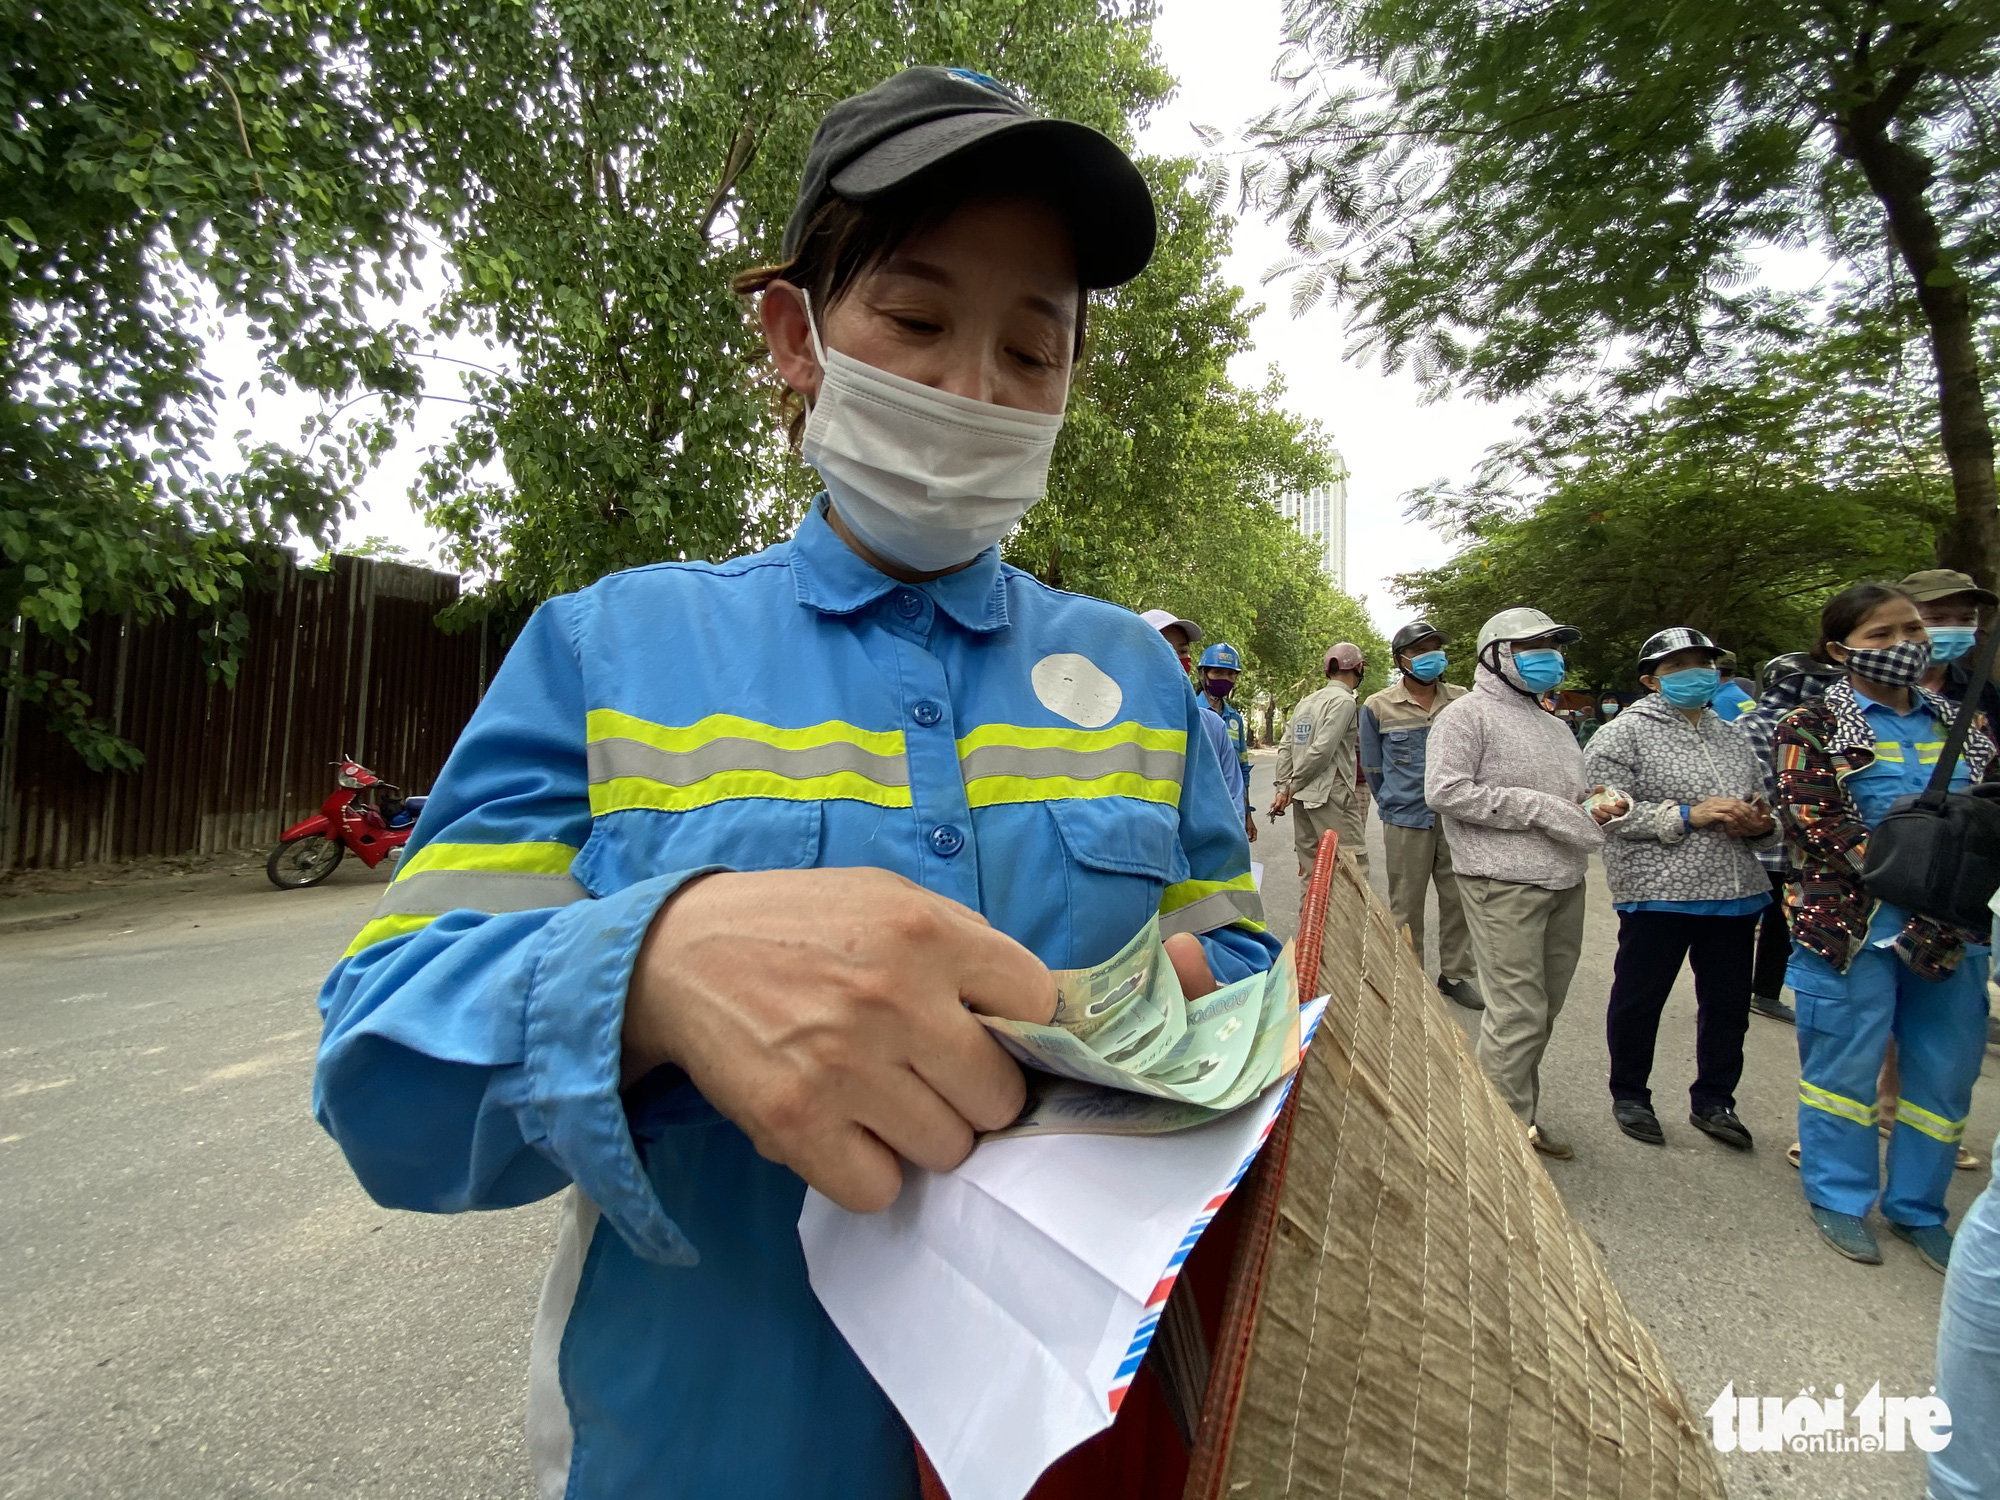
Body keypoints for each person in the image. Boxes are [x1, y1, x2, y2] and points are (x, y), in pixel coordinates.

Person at [311, 68, 1277, 1500]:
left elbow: (1243, 960)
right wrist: (645, 974)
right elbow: (380, 1069)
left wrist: (1187, 1006)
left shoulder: (1138, 679)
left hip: (1090, 1451)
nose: (972, 391)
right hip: (707, 1458)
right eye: (916, 317)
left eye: (1033, 348)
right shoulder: (605, 646)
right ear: (795, 334)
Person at [1774, 582, 1993, 1272]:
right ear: (1840, 649)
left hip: (1952, 930)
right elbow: (1819, 823)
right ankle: (1840, 1197)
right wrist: (1916, 873)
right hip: (1851, 926)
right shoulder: (1810, 726)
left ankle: (1919, 1208)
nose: (1906, 644)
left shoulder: (1961, 724)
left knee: (1944, 1070)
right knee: (1844, 1066)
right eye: (1881, 634)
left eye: (1911, 628)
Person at [1425, 607, 1617, 1159]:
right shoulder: (1465, 717)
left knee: (1543, 1011)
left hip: (1565, 881)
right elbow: (1445, 791)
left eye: (1555, 646)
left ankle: (1517, 1118)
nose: (1551, 657)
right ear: (1498, 656)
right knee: (1517, 1014)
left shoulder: (1557, 726)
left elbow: (1571, 798)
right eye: (1536, 647)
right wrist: (1536, 807)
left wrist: (1599, 806)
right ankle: (1497, 1151)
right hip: (1500, 884)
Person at [1584, 628, 1778, 1150]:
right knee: (1640, 998)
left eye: (1704, 663)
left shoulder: (1733, 735)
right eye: (1679, 667)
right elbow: (1603, 810)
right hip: (1658, 891)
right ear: (1651, 680)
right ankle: (1630, 1094)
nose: (1697, 674)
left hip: (1735, 890)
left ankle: (1716, 1101)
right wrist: (1690, 815)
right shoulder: (1622, 734)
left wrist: (1758, 825)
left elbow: (1767, 809)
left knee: (1728, 1006)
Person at [1359, 619, 1481, 1010]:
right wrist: (1396, 801)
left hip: (1458, 818)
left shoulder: (1464, 700)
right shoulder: (1378, 706)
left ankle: (1456, 975)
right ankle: (1409, 980)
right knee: (1406, 904)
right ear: (1401, 659)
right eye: (1421, 650)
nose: (1432, 656)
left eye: (1435, 648)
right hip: (1405, 818)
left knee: (1458, 899)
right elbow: (1374, 768)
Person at [1732, 651, 1842, 1026]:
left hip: (1808, 848)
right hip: (1764, 845)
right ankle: (1731, 990)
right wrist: (1804, 810)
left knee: (1783, 926)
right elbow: (1762, 785)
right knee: (1744, 923)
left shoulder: (1827, 727)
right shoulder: (1754, 725)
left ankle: (1766, 992)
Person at [1272, 642, 1368, 877]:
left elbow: (1286, 747)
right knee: (1352, 868)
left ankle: (1310, 915)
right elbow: (1322, 751)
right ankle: (1347, 916)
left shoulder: (1305, 702)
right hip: (1331, 795)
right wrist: (1290, 786)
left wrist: (1284, 787)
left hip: (1302, 797)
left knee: (1310, 869)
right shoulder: (1344, 702)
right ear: (1359, 667)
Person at [1145, 610, 1244, 815]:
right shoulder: (1118, 723)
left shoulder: (1214, 724)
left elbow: (1234, 788)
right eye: (1165, 649)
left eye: (1182, 651)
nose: (1176, 659)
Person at [1198, 640, 1257, 842]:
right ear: (1202, 674)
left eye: (1231, 674)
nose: (1225, 678)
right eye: (1218, 672)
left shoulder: (1234, 719)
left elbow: (1241, 770)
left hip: (1229, 806)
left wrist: (1247, 813)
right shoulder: (1190, 711)